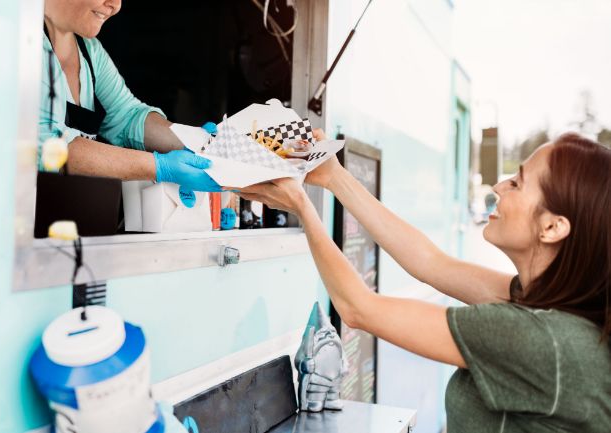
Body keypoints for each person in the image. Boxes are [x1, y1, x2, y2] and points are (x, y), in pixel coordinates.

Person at [236, 132, 611, 432]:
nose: (499, 186)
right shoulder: (540, 304)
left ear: (552, 227)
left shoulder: (542, 340)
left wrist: (303, 206)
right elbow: (430, 262)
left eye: (518, 183)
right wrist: (334, 176)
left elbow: (359, 308)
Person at [39, 0, 218, 192]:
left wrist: (200, 143)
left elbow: (127, 118)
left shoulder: (89, 50)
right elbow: (46, 146)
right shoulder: (23, 44)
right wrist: (159, 167)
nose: (115, 5)